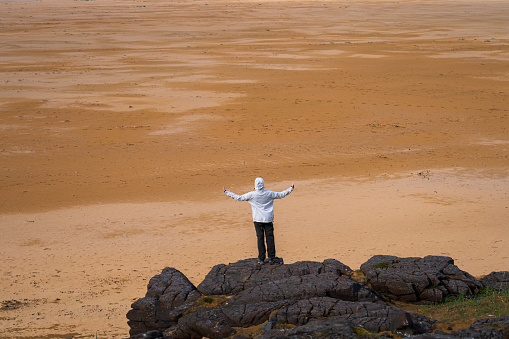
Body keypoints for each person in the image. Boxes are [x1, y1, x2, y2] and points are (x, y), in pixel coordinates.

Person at [223, 177, 294, 265]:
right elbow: (282, 194)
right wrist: (291, 188)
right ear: (263, 184)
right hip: (268, 219)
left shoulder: (252, 195)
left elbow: (239, 198)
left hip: (257, 220)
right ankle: (271, 258)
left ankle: (261, 258)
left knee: (260, 238)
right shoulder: (269, 193)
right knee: (270, 238)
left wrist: (226, 192)